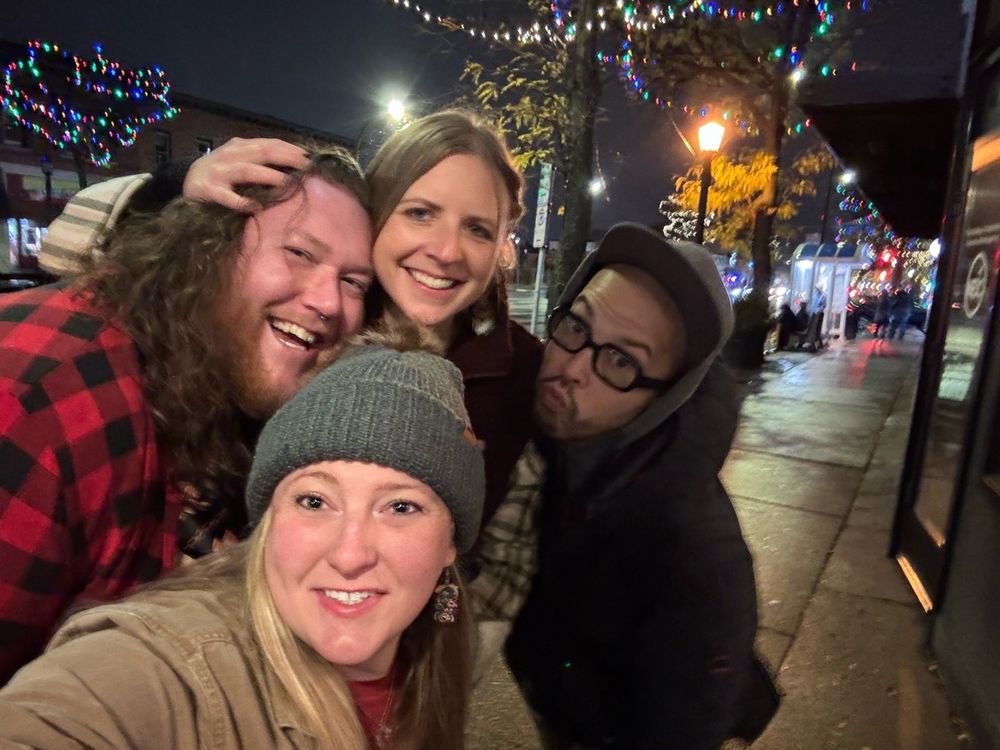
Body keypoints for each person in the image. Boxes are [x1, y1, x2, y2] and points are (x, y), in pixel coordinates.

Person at [40, 112, 543, 544]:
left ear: (501, 243)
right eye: (419, 213)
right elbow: (92, 262)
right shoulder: (313, 321)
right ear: (377, 214)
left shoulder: (520, 371)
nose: (448, 250)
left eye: (478, 228)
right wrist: (177, 192)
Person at [0, 335, 484, 749]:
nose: (349, 555)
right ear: (269, 518)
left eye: (400, 507)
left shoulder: (443, 647)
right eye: (314, 501)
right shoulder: (177, 662)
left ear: (450, 545)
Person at [0, 146, 373, 683]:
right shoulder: (42, 400)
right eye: (299, 253)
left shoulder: (225, 387)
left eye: (354, 282)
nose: (329, 303)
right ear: (207, 249)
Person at [495, 223, 779, 749]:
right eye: (576, 327)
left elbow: (684, 725)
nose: (572, 368)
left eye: (622, 361)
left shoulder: (695, 557)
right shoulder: (545, 449)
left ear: (663, 399)